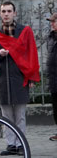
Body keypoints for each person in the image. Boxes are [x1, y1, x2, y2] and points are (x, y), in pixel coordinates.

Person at [0, 1, 40, 156]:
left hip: (20, 78)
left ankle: (21, 143)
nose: (6, 14)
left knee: (20, 115)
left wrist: (31, 77)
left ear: (15, 13)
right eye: (3, 11)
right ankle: (11, 145)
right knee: (6, 116)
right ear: (0, 13)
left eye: (9, 11)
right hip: (3, 79)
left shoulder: (24, 31)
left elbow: (31, 54)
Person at [46, 13, 57, 142]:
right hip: (53, 78)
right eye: (51, 22)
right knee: (56, 108)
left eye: (54, 21)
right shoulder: (50, 37)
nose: (52, 23)